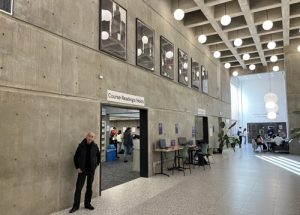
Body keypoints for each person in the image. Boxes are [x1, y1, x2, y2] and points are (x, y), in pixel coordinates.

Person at [69, 132, 100, 213]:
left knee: (89, 188)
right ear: (86, 136)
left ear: (93, 138)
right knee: (78, 188)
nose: (90, 138)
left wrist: (96, 165)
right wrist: (77, 167)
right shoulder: (81, 146)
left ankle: (87, 204)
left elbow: (98, 156)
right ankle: (76, 206)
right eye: (89, 136)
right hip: (82, 170)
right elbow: (75, 157)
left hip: (91, 171)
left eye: (92, 137)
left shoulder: (95, 146)